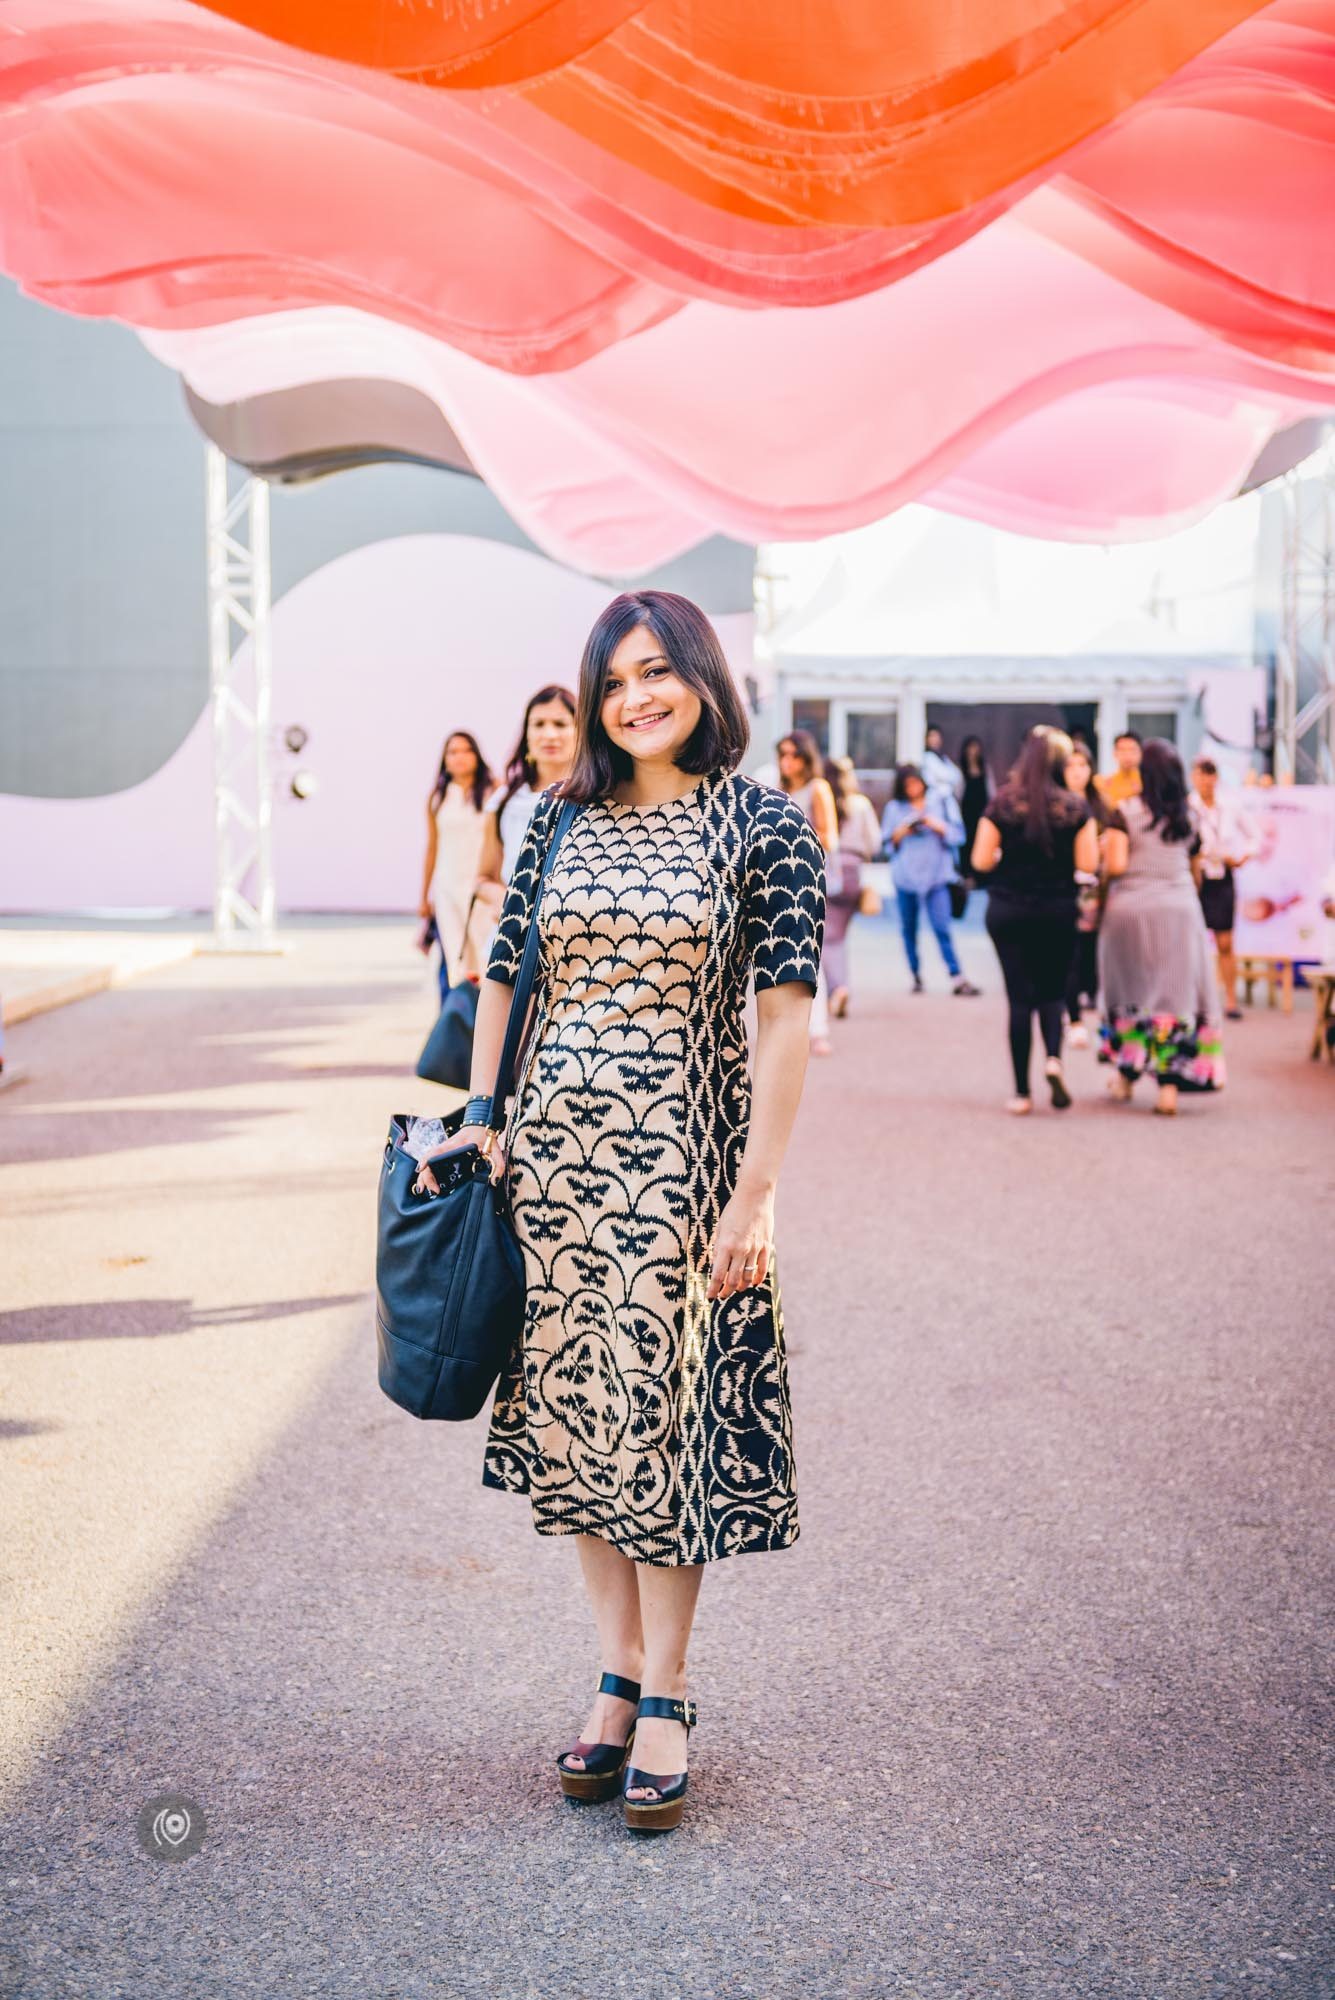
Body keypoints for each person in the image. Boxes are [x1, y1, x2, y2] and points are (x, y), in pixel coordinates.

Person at [414, 589, 825, 1834]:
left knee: (661, 1426)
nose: (636, 696)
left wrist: (756, 1194)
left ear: (703, 677)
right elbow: (502, 974)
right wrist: (481, 1113)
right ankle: (611, 1670)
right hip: (554, 1170)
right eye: (615, 679)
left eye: (658, 671)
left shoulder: (765, 826)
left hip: (683, 1177)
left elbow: (788, 1023)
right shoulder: (551, 819)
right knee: (580, 1428)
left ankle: (670, 1688)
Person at [971, 727, 1100, 1113]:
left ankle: (1022, 1093)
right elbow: (1088, 864)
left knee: (1019, 998)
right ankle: (1053, 1060)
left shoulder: (1002, 804)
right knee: (1053, 992)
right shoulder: (1076, 809)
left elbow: (979, 861)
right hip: (1057, 909)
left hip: (1008, 909)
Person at [1098, 740, 1225, 1115]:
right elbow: (1196, 870)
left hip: (1130, 911)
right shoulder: (1190, 817)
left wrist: (1103, 865)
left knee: (1131, 992)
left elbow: (1117, 865)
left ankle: (1125, 1078)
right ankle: (1168, 1090)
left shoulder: (1124, 812)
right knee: (1174, 996)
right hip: (1180, 910)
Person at [475, 686, 578, 925]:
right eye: (539, 724)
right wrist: (509, 902)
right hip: (513, 939)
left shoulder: (599, 798)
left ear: (579, 730)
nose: (549, 734)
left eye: (560, 724)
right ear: (527, 733)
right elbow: (483, 878)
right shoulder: (504, 801)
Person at [881, 765, 980, 996]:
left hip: (937, 876)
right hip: (905, 877)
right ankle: (915, 974)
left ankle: (957, 976)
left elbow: (959, 836)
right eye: (907, 786)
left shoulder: (941, 801)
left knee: (942, 927)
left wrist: (937, 825)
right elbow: (886, 846)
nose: (913, 789)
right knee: (908, 928)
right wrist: (901, 832)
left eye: (916, 783)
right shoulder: (895, 808)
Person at [420, 729, 497, 998]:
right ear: (445, 759)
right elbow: (432, 848)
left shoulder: (493, 791)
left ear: (477, 755)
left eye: (466, 750)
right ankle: (460, 1023)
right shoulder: (438, 797)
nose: (460, 757)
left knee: (487, 958)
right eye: (453, 752)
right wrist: (424, 896)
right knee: (456, 960)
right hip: (448, 888)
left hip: (482, 889)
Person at [777, 731, 838, 1053]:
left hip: (807, 877)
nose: (788, 761)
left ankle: (818, 1027)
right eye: (783, 754)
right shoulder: (777, 789)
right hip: (777, 879)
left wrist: (797, 840)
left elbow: (830, 837)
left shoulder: (818, 788)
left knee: (809, 951)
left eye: (794, 755)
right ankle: (789, 1027)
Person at [1061, 741, 1125, 1047]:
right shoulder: (1056, 803)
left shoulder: (1102, 804)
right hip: (1064, 890)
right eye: (1071, 765)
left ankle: (1099, 1013)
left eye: (1083, 765)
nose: (1077, 772)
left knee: (1096, 955)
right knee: (1070, 955)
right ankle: (1071, 1016)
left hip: (1099, 891)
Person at [1189, 756, 1258, 1022]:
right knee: (1195, 942)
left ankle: (1230, 998)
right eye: (1200, 775)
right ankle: (1197, 999)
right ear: (1193, 778)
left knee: (1225, 941)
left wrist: (1242, 856)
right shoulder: (1188, 806)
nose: (1205, 781)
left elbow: (1254, 835)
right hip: (1198, 876)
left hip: (1223, 874)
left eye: (1210, 775)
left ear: (1216, 778)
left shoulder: (1230, 805)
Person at [821, 754, 880, 1018]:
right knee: (838, 936)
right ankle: (839, 987)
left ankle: (838, 988)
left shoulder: (820, 803)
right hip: (853, 873)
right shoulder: (861, 804)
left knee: (828, 939)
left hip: (826, 871)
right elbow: (875, 843)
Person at [958, 736, 991, 887]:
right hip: (966, 815)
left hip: (982, 813)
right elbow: (958, 794)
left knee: (982, 842)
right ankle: (967, 875)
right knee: (967, 844)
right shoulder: (961, 770)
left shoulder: (985, 769)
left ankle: (982, 877)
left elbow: (991, 792)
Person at [1096, 730, 1143, 810]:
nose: (1127, 755)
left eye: (1132, 750)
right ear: (1115, 753)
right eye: (1122, 750)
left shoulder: (1147, 783)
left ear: (1141, 753)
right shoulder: (1103, 783)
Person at [921, 725, 963, 799]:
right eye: (932, 736)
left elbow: (957, 776)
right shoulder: (927, 757)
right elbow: (945, 775)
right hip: (934, 798)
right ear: (926, 739)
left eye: (937, 736)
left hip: (946, 798)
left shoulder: (944, 758)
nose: (935, 739)